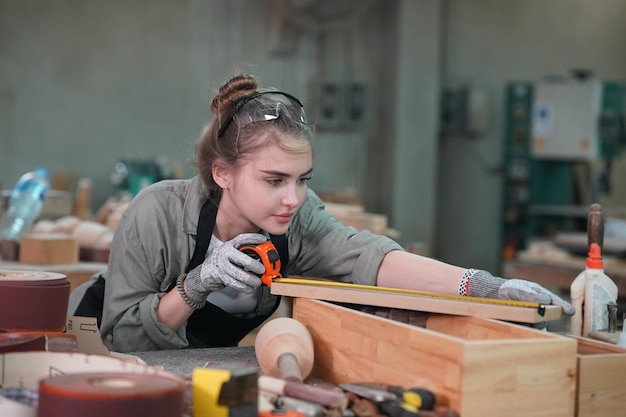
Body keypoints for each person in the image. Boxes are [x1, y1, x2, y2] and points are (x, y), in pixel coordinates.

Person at [80, 74, 573, 353]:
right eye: (274, 181)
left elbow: (369, 258)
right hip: (95, 353)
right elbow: (122, 334)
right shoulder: (156, 215)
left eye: (302, 179)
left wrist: (482, 286)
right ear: (223, 173)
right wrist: (196, 283)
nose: (293, 198)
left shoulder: (297, 217)